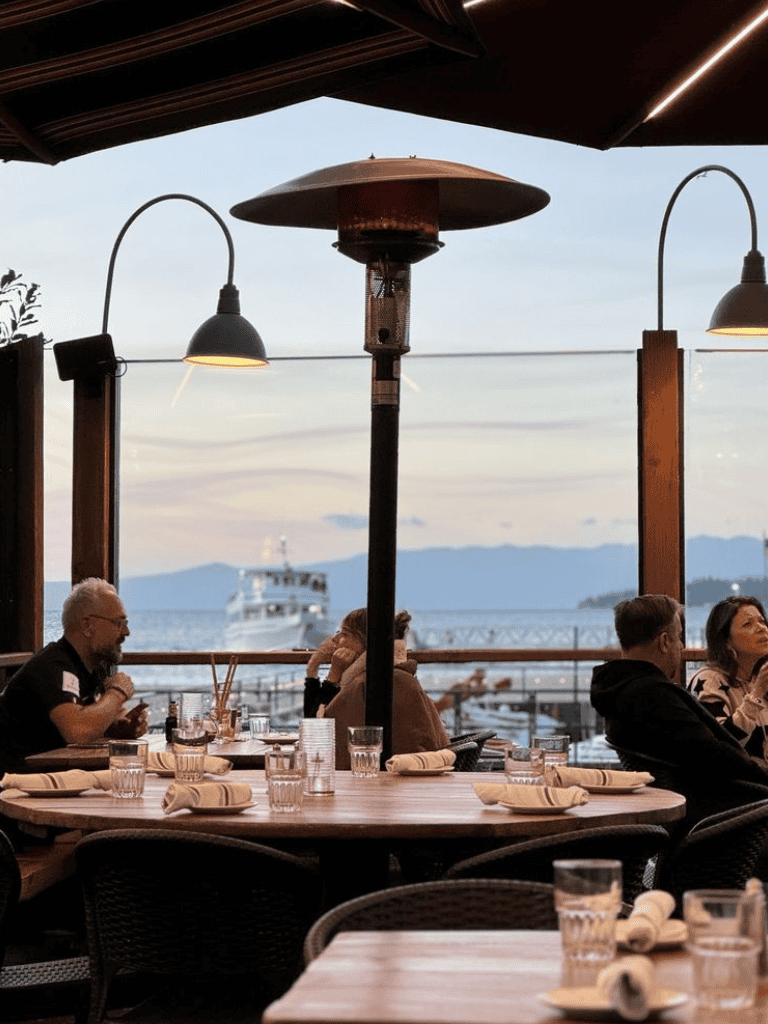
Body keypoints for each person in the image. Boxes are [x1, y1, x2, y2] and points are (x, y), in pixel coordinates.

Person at [590, 594, 768, 827]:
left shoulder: (620, 690)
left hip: (712, 811)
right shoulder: (652, 697)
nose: (682, 647)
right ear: (664, 642)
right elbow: (716, 756)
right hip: (730, 820)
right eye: (679, 638)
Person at [0, 577, 147, 776]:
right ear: (87, 626)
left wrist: (116, 729)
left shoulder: (93, 668)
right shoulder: (54, 666)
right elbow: (77, 731)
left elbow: (76, 728)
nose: (126, 632)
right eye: (118, 622)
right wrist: (117, 692)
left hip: (51, 778)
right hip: (18, 789)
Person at [303, 608, 450, 770]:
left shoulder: (368, 684)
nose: (335, 639)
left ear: (365, 640)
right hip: (397, 782)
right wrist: (313, 669)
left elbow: (314, 737)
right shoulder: (386, 675)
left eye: (344, 633)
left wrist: (332, 675)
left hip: (382, 785)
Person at [687, 596, 768, 769]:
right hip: (742, 789)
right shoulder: (708, 680)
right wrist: (757, 694)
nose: (761, 628)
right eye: (748, 624)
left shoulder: (758, 678)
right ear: (726, 641)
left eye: (762, 621)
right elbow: (721, 747)